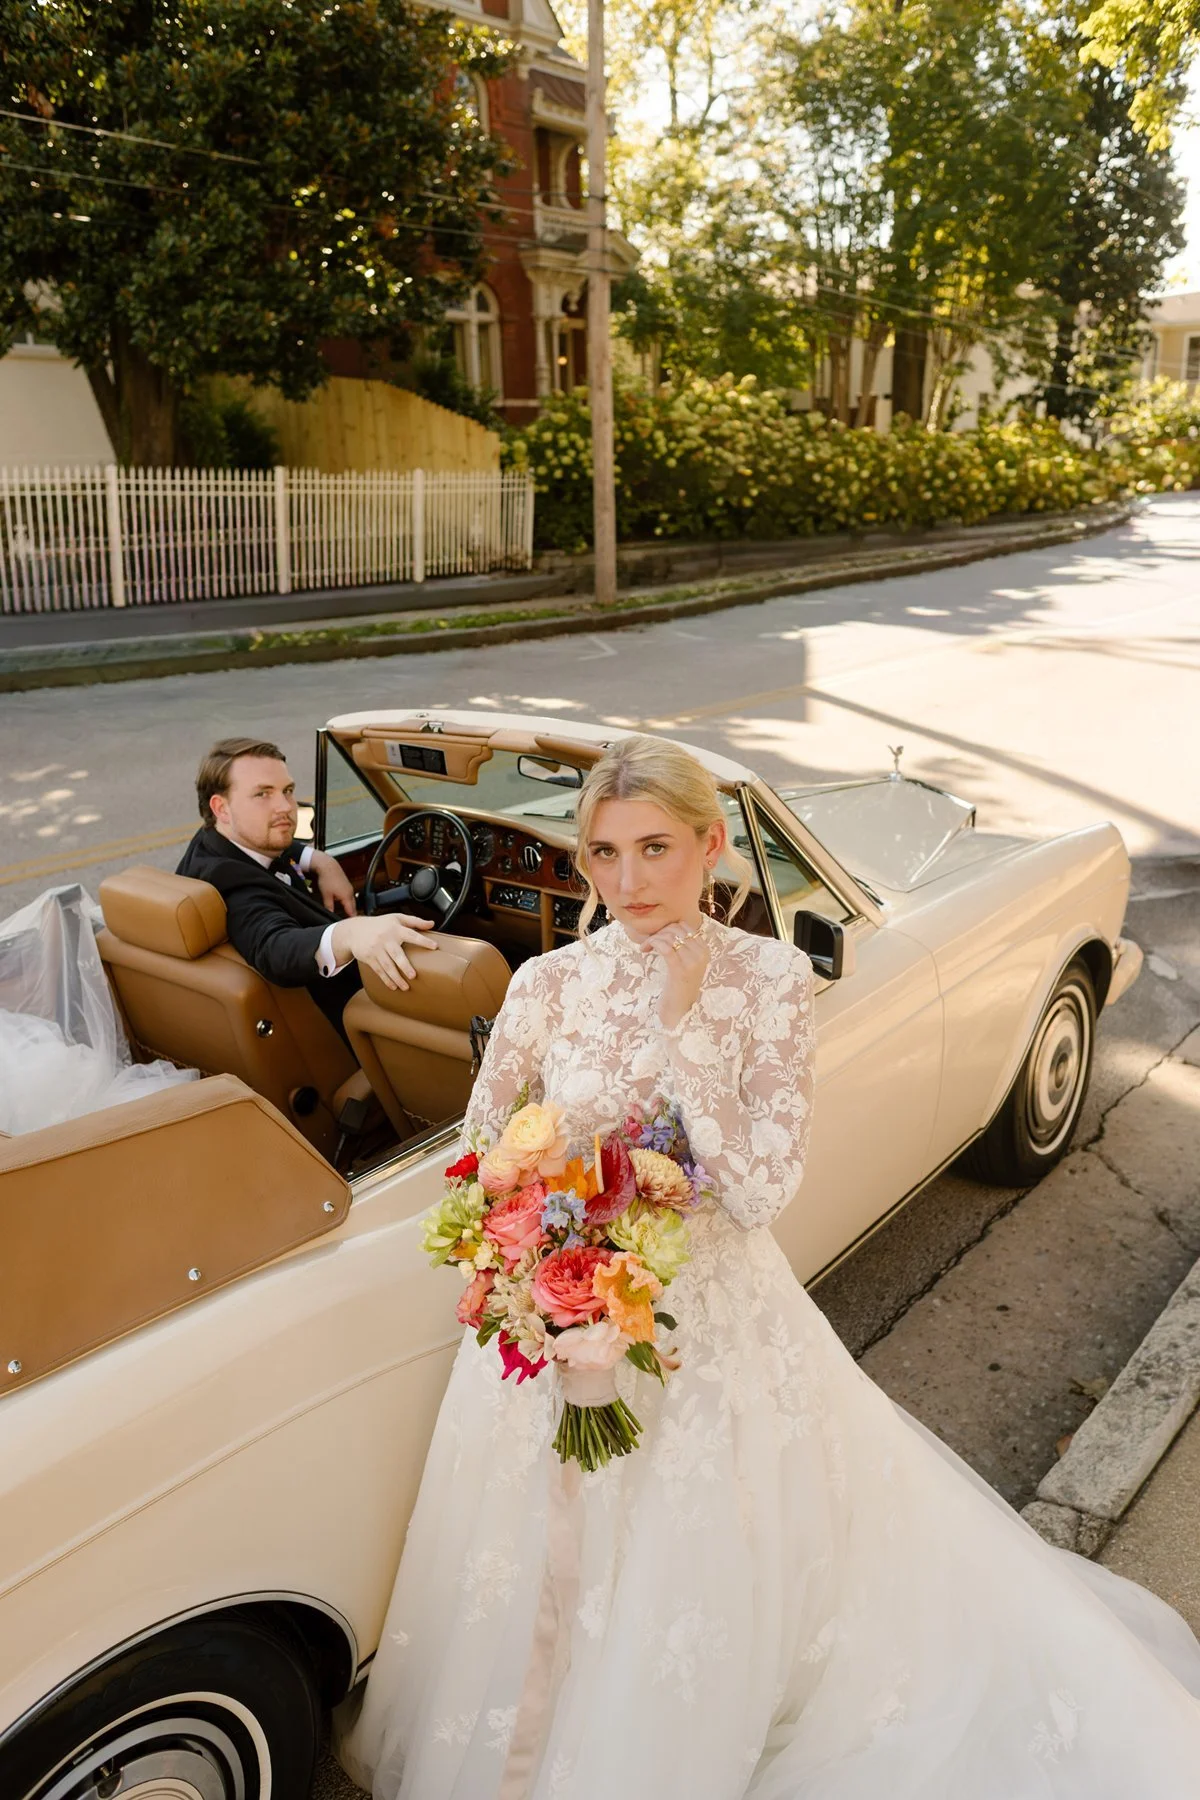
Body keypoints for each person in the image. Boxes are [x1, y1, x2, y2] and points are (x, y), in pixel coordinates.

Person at [339, 733, 1200, 1800]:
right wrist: (534, 1251)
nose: (628, 880)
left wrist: (685, 1026)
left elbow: (756, 1191)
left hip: (707, 1330)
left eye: (656, 848)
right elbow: (480, 1151)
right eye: (604, 854)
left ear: (711, 848)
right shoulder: (548, 982)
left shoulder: (769, 980)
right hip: (557, 1322)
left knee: (693, 1572)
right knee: (537, 1564)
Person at [176, 737, 434, 1036]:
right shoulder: (230, 883)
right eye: (263, 794)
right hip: (357, 1020)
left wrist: (318, 859)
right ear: (221, 807)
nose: (285, 807)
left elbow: (272, 840)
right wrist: (350, 932)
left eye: (287, 791)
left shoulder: (214, 841)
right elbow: (274, 947)